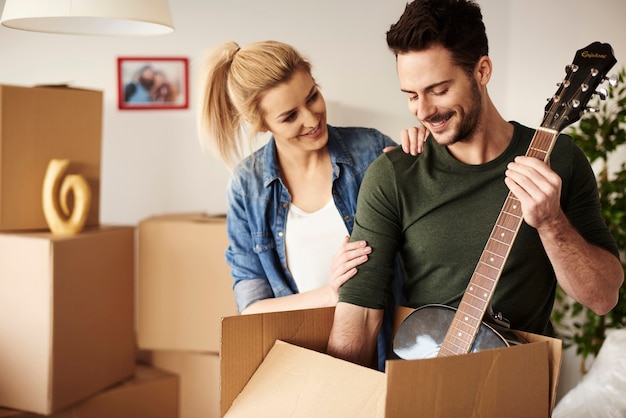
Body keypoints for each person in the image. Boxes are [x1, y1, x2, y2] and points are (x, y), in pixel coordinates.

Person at [327, 0, 624, 367]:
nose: (423, 111)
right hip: (423, 386)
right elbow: (360, 310)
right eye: (411, 95)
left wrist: (551, 223)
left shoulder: (559, 159)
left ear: (482, 70)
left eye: (438, 90)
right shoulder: (393, 173)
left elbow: (602, 296)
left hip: (515, 382)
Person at [196, 40, 426, 369]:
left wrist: (425, 162)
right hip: (299, 358)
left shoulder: (372, 151)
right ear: (261, 124)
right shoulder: (247, 186)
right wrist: (332, 293)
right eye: (289, 116)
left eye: (313, 96)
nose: (311, 118)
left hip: (384, 351)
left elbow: (426, 245)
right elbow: (250, 309)